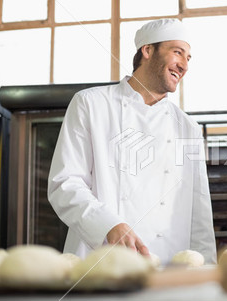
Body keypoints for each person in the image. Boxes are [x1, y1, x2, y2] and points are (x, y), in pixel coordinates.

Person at [48, 19, 217, 265]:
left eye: (188, 58)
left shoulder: (187, 127)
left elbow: (198, 207)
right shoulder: (91, 104)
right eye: (177, 52)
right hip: (101, 261)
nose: (184, 66)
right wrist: (108, 225)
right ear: (147, 51)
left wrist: (207, 268)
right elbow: (65, 182)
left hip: (169, 268)